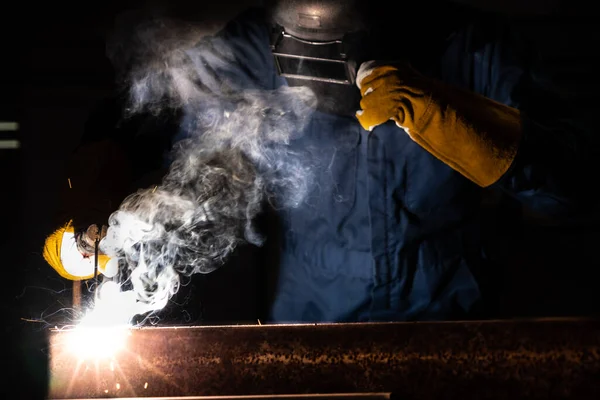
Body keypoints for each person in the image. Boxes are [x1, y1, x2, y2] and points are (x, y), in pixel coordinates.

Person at [43, 0, 598, 323]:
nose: (311, 65)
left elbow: (574, 185)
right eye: (297, 40)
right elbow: (141, 114)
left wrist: (452, 116)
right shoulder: (251, 51)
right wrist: (92, 190)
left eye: (333, 43)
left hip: (452, 319)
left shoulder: (470, 49)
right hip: (312, 325)